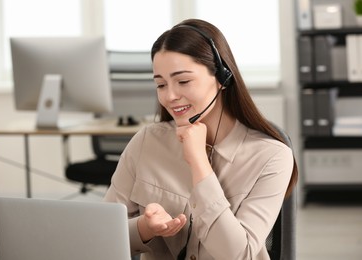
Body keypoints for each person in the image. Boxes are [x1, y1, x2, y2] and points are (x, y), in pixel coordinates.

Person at [104, 18, 298, 260]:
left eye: (183, 81)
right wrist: (144, 228)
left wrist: (199, 163)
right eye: (161, 84)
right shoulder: (147, 142)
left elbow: (239, 255)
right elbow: (102, 233)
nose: (170, 96)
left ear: (222, 77)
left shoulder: (272, 156)